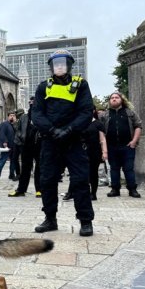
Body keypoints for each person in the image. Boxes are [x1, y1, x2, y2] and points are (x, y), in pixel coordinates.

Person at [31, 50, 95, 237]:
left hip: (73, 140)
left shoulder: (81, 85)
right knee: (47, 180)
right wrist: (51, 130)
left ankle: (85, 220)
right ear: (51, 67)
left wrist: (68, 130)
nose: (59, 66)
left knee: (80, 180)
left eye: (62, 63)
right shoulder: (44, 87)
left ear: (69, 65)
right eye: (55, 64)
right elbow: (37, 113)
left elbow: (86, 111)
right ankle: (50, 218)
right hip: (51, 141)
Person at [100, 91, 143, 198]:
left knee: (128, 168)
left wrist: (134, 142)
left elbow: (138, 126)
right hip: (111, 146)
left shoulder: (130, 113)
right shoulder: (105, 115)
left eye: (116, 97)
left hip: (127, 146)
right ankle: (115, 189)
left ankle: (132, 189)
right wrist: (104, 148)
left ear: (122, 100)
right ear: (109, 101)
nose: (114, 99)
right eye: (112, 98)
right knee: (114, 169)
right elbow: (100, 131)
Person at [64, 110, 106, 202]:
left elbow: (102, 139)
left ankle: (93, 193)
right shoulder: (79, 122)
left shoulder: (98, 124)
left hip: (94, 151)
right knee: (75, 172)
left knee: (93, 172)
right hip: (80, 150)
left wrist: (104, 152)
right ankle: (71, 192)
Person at [9, 97, 42, 197]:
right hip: (26, 145)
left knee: (39, 168)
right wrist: (20, 140)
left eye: (33, 102)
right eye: (30, 102)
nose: (31, 104)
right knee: (25, 168)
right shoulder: (24, 117)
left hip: (39, 145)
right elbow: (18, 130)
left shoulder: (42, 116)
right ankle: (21, 189)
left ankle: (39, 189)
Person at [0, 112, 16, 181]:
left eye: (13, 115)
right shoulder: (4, 124)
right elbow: (2, 133)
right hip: (6, 146)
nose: (12, 117)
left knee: (13, 161)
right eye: (10, 115)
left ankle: (11, 175)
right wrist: (4, 142)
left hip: (13, 145)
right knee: (3, 160)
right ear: (8, 116)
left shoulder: (13, 125)